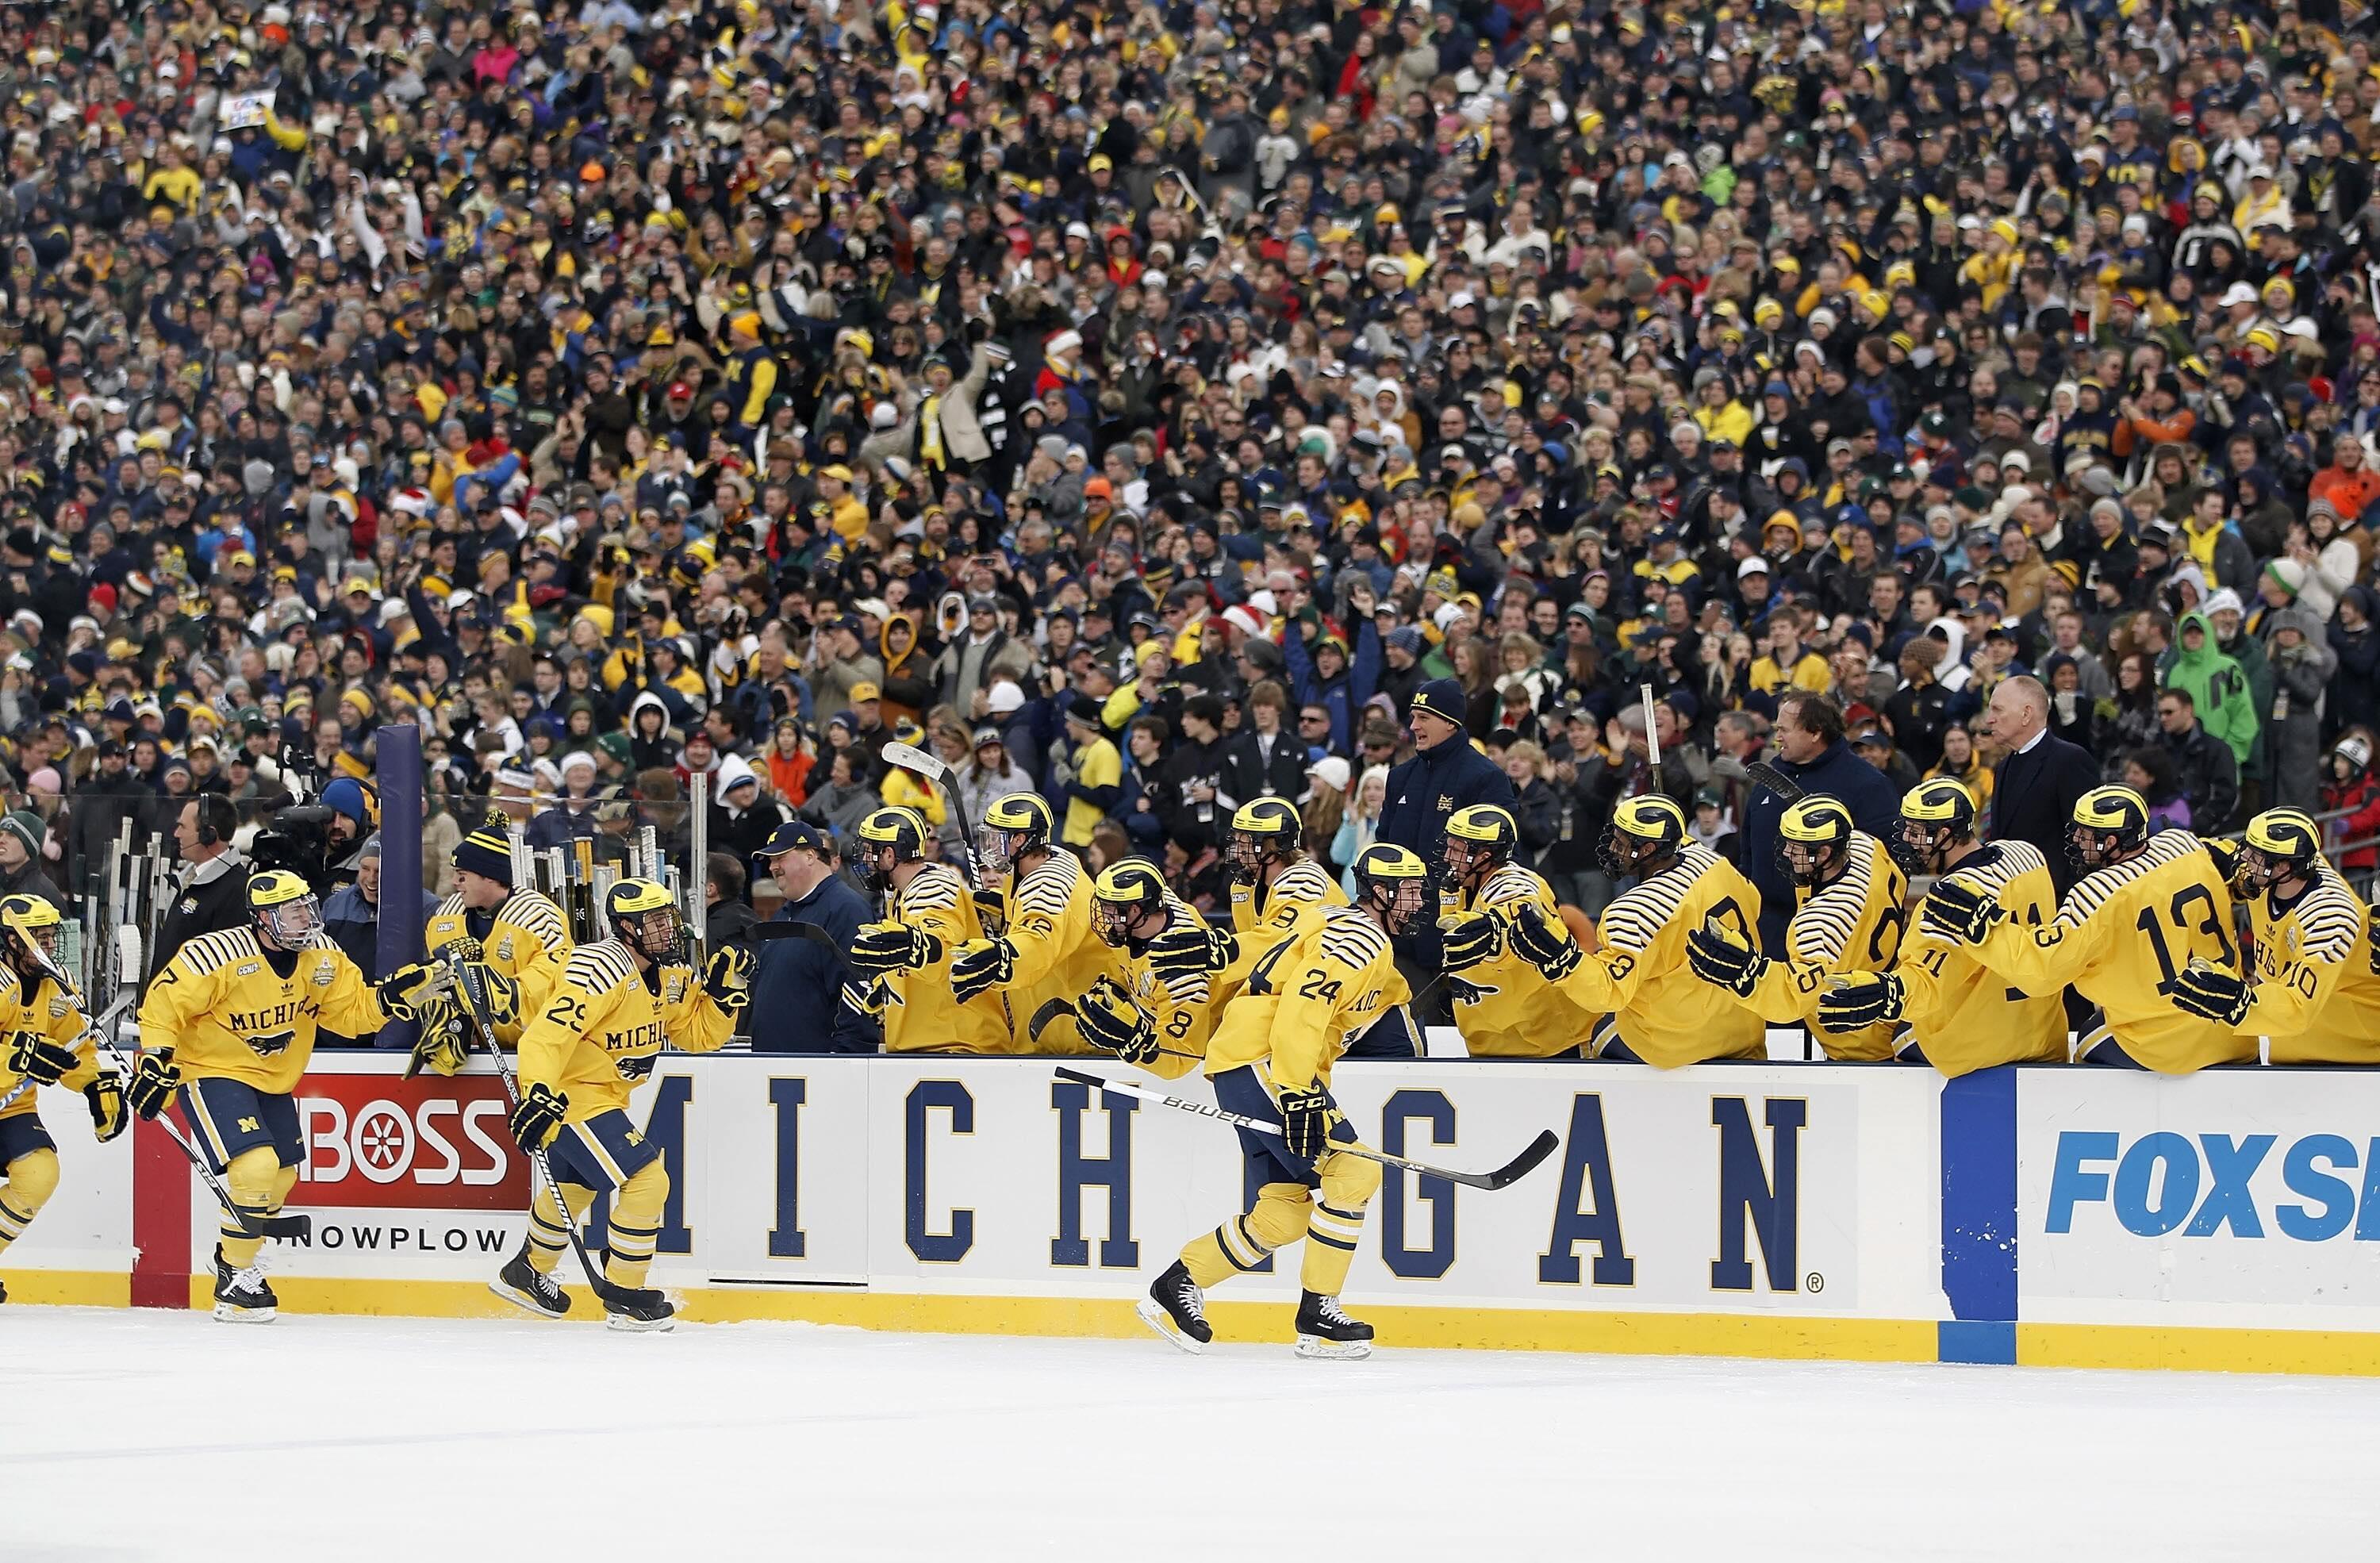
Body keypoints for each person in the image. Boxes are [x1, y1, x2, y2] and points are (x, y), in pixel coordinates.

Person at [1135, 843, 1427, 1361]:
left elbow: (1262, 944)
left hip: (1243, 1061)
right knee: (1356, 1174)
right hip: (1267, 1062)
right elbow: (1303, 1008)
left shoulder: (1328, 918)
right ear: (1380, 892)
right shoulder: (1362, 941)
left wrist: (1211, 952)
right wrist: (1297, 1095)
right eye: (1409, 890)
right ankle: (1319, 1311)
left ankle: (1179, 1284)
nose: (1418, 900)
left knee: (1283, 1215)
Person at [128, 870, 439, 1321]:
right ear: (263, 920)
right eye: (293, 912)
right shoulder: (216, 954)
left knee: (282, 1176)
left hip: (274, 1080)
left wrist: (392, 999)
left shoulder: (323, 956)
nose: (305, 919)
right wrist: (156, 1058)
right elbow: (162, 1004)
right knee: (256, 1167)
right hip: (213, 1070)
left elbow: (351, 1016)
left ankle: (237, 1259)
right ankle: (234, 1276)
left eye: (307, 907)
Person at [492, 878, 744, 1331]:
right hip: (571, 1098)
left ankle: (527, 1271)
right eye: (655, 921)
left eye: (669, 917)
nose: (669, 929)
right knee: (648, 1180)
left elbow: (696, 1036)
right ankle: (625, 1295)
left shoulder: (671, 973)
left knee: (576, 1186)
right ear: (627, 928)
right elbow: (546, 1037)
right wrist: (539, 1094)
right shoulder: (600, 967)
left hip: (606, 1097)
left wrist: (725, 1001)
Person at [1922, 786, 2251, 1073]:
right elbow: (2232, 867)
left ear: (2111, 841)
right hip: (2234, 1028)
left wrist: (1984, 930)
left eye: (2086, 835)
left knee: (2088, 1038)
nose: (2077, 842)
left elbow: (2042, 971)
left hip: (2169, 1043)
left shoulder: (2096, 894)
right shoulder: (2185, 846)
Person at [1814, 780, 2068, 1073]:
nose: (1907, 838)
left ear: (1945, 835)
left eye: (1916, 830)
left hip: (1982, 1049)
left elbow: (1924, 984)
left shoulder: (1947, 902)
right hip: (2046, 1035)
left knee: (1900, 1036)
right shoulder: (2027, 855)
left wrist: (1885, 993)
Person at [1500, 795, 1769, 1066]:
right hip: (1746, 1027)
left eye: (1621, 841)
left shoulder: (1634, 910)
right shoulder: (1710, 860)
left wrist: (1561, 958)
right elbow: (1754, 902)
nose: (1613, 848)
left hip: (1687, 1043)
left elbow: (1606, 994)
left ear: (1649, 849)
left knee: (1593, 1028)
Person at [1683, 796, 1907, 1061]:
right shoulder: (1865, 847)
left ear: (1824, 853)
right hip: (1893, 1001)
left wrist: (1745, 973)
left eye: (1796, 846)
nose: (1787, 852)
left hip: (1859, 1042)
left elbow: (1792, 999)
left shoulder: (1821, 922)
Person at [2165, 809, 2380, 1066]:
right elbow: (2220, 855)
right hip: (2297, 1043)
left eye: (2255, 855)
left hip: (2351, 1051)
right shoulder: (2278, 875)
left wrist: (2240, 1002)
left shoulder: (2329, 920)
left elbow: (2298, 1008)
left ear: (2283, 867)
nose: (2243, 857)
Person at [0, 897, 127, 1301]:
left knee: (39, 1174)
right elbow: (26, 1052)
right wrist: (18, 1055)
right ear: (12, 942)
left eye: (52, 937)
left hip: (11, 1109)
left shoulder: (59, 989)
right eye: (39, 937)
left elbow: (79, 1050)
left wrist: (95, 1085)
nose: (49, 946)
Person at [1376, 678, 1517, 1014]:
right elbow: (1384, 849)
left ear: (1450, 723)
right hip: (1404, 939)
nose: (1414, 727)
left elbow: (1503, 857)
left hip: (1462, 940)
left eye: (1424, 718)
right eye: (1413, 717)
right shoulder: (1400, 777)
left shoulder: (1485, 778)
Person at [1735, 692, 1899, 954]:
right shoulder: (1770, 780)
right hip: (1765, 931)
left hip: (1833, 935)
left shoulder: (1867, 785)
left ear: (1815, 732)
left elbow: (1887, 866)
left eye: (1784, 730)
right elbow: (1748, 855)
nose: (1777, 738)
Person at [1035, 860, 1220, 1082]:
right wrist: (1113, 987)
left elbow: (1182, 1057)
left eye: (1109, 908)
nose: (1103, 916)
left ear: (1134, 909)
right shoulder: (1143, 916)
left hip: (1211, 1052)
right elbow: (1126, 960)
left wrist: (1133, 1041)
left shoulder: (1179, 972)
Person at [1434, 805, 1597, 1057]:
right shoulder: (1455, 887)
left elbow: (1522, 904)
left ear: (1484, 856)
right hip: (1496, 1040)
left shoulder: (1513, 881)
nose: (1447, 856)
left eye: (1456, 849)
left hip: (1549, 1042)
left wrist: (1496, 924)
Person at [845, 807, 1009, 1054]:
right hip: (932, 1043)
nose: (865, 860)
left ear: (889, 855)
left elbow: (939, 944)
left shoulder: (932, 886)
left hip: (957, 1045)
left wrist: (915, 946)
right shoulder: (900, 895)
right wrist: (891, 992)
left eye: (870, 851)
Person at [950, 793, 1105, 1054]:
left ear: (1019, 840)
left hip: (1071, 1038)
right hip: (1052, 1027)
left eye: (997, 838)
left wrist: (1002, 956)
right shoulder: (1033, 866)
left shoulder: (1049, 884)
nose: (990, 847)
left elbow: (1038, 941)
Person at [416, 819, 574, 1073]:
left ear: (489, 877)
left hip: (541, 1052)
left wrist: (503, 992)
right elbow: (432, 984)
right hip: (480, 1053)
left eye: (463, 875)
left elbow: (556, 982)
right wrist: (448, 1016)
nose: (455, 882)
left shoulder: (537, 917)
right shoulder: (446, 917)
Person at [748, 821, 879, 1054]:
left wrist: (844, 1059)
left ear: (810, 856)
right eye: (771, 860)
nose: (772, 867)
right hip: (776, 1068)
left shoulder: (846, 909)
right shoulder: (786, 912)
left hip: (818, 1070)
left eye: (780, 858)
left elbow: (860, 991)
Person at [1983, 676, 2102, 897]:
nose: (1989, 720)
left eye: (1997, 710)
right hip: (2012, 900)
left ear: (2026, 714)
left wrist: (2070, 902)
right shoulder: (2004, 767)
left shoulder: (2069, 760)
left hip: (2056, 903)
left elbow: (2086, 840)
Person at [147, 795, 250, 984]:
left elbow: (226, 969)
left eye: (183, 827)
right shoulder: (189, 880)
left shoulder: (237, 890)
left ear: (208, 835)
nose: (177, 833)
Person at [0, 813, 63, 909]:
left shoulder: (41, 895)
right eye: (0, 834)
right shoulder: (5, 885)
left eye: (12, 835)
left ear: (29, 845)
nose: (2, 840)